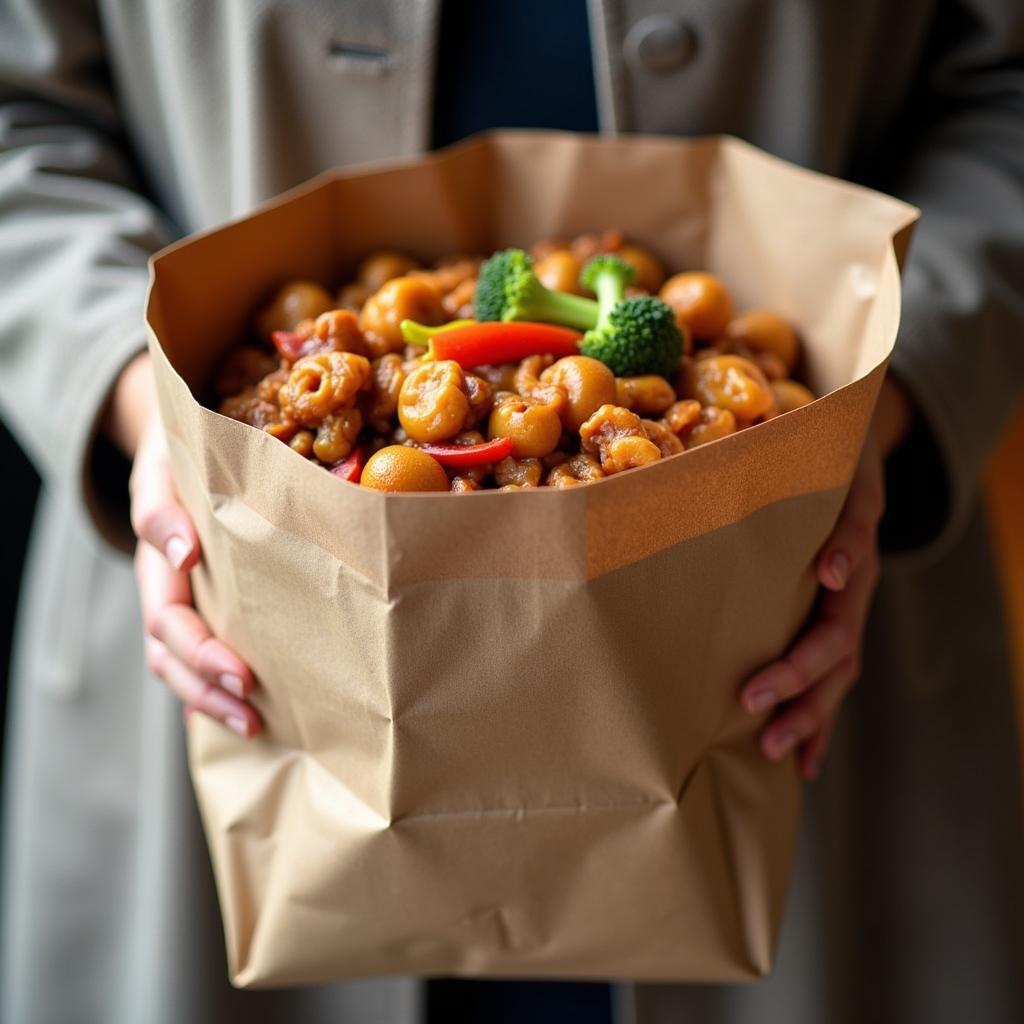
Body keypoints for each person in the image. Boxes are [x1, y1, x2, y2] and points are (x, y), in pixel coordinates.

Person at [2, 2, 1022, 1022]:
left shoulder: (666, 382)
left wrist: (876, 409)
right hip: (238, 627)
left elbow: (1002, 94)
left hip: (794, 648)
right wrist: (146, 409)